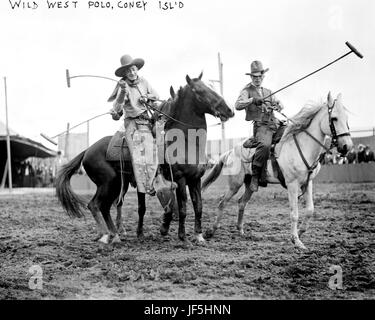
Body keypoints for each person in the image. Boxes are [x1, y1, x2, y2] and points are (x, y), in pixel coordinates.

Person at [108, 54, 159, 195]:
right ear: (124, 73)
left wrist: (146, 97)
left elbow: (156, 95)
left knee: (158, 146)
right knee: (138, 154)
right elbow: (117, 107)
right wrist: (123, 91)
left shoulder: (144, 82)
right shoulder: (122, 86)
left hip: (146, 121)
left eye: (133, 69)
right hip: (132, 123)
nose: (131, 73)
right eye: (128, 71)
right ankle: (145, 186)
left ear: (137, 70)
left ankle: (157, 179)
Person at [235, 60, 285, 192]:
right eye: (254, 77)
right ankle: (256, 177)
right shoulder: (246, 90)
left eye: (259, 77)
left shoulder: (268, 91)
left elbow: (279, 104)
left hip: (274, 123)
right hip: (261, 126)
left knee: (291, 134)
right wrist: (252, 100)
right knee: (265, 145)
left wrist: (278, 105)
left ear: (263, 76)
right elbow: (238, 105)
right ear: (251, 77)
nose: (257, 79)